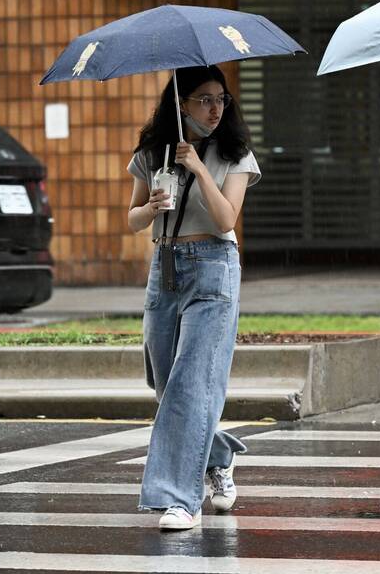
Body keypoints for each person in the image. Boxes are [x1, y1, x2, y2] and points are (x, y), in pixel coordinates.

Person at [127, 65, 260, 530]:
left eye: (222, 99)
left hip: (213, 267)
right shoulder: (151, 151)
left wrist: (199, 167)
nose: (215, 108)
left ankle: (179, 499)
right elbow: (133, 219)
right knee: (167, 384)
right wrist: (150, 207)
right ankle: (218, 454)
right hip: (164, 265)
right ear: (181, 102)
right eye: (204, 99)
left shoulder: (235, 153)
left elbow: (226, 219)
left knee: (192, 382)